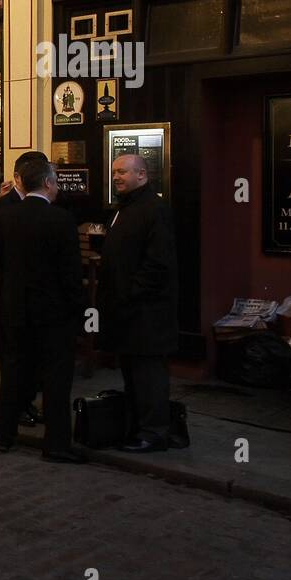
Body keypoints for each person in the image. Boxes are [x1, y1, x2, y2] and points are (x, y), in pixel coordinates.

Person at [0, 158, 85, 463]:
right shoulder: (61, 220)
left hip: (14, 309)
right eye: (55, 181)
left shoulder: (4, 216)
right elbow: (70, 272)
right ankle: (55, 444)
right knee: (56, 379)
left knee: (13, 372)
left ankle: (3, 435)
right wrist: (79, 310)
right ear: (47, 183)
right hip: (53, 314)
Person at [97, 153, 179, 453]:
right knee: (132, 373)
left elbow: (158, 263)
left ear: (142, 175)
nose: (116, 177)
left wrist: (132, 292)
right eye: (114, 172)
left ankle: (154, 432)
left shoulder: (154, 209)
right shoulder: (124, 208)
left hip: (148, 312)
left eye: (122, 172)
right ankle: (137, 426)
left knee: (149, 375)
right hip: (127, 311)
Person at [0, 150, 50, 428]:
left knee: (34, 356)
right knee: (12, 357)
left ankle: (27, 401)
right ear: (18, 177)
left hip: (39, 297)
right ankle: (13, 408)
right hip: (9, 294)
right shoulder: (1, 205)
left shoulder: (48, 202)